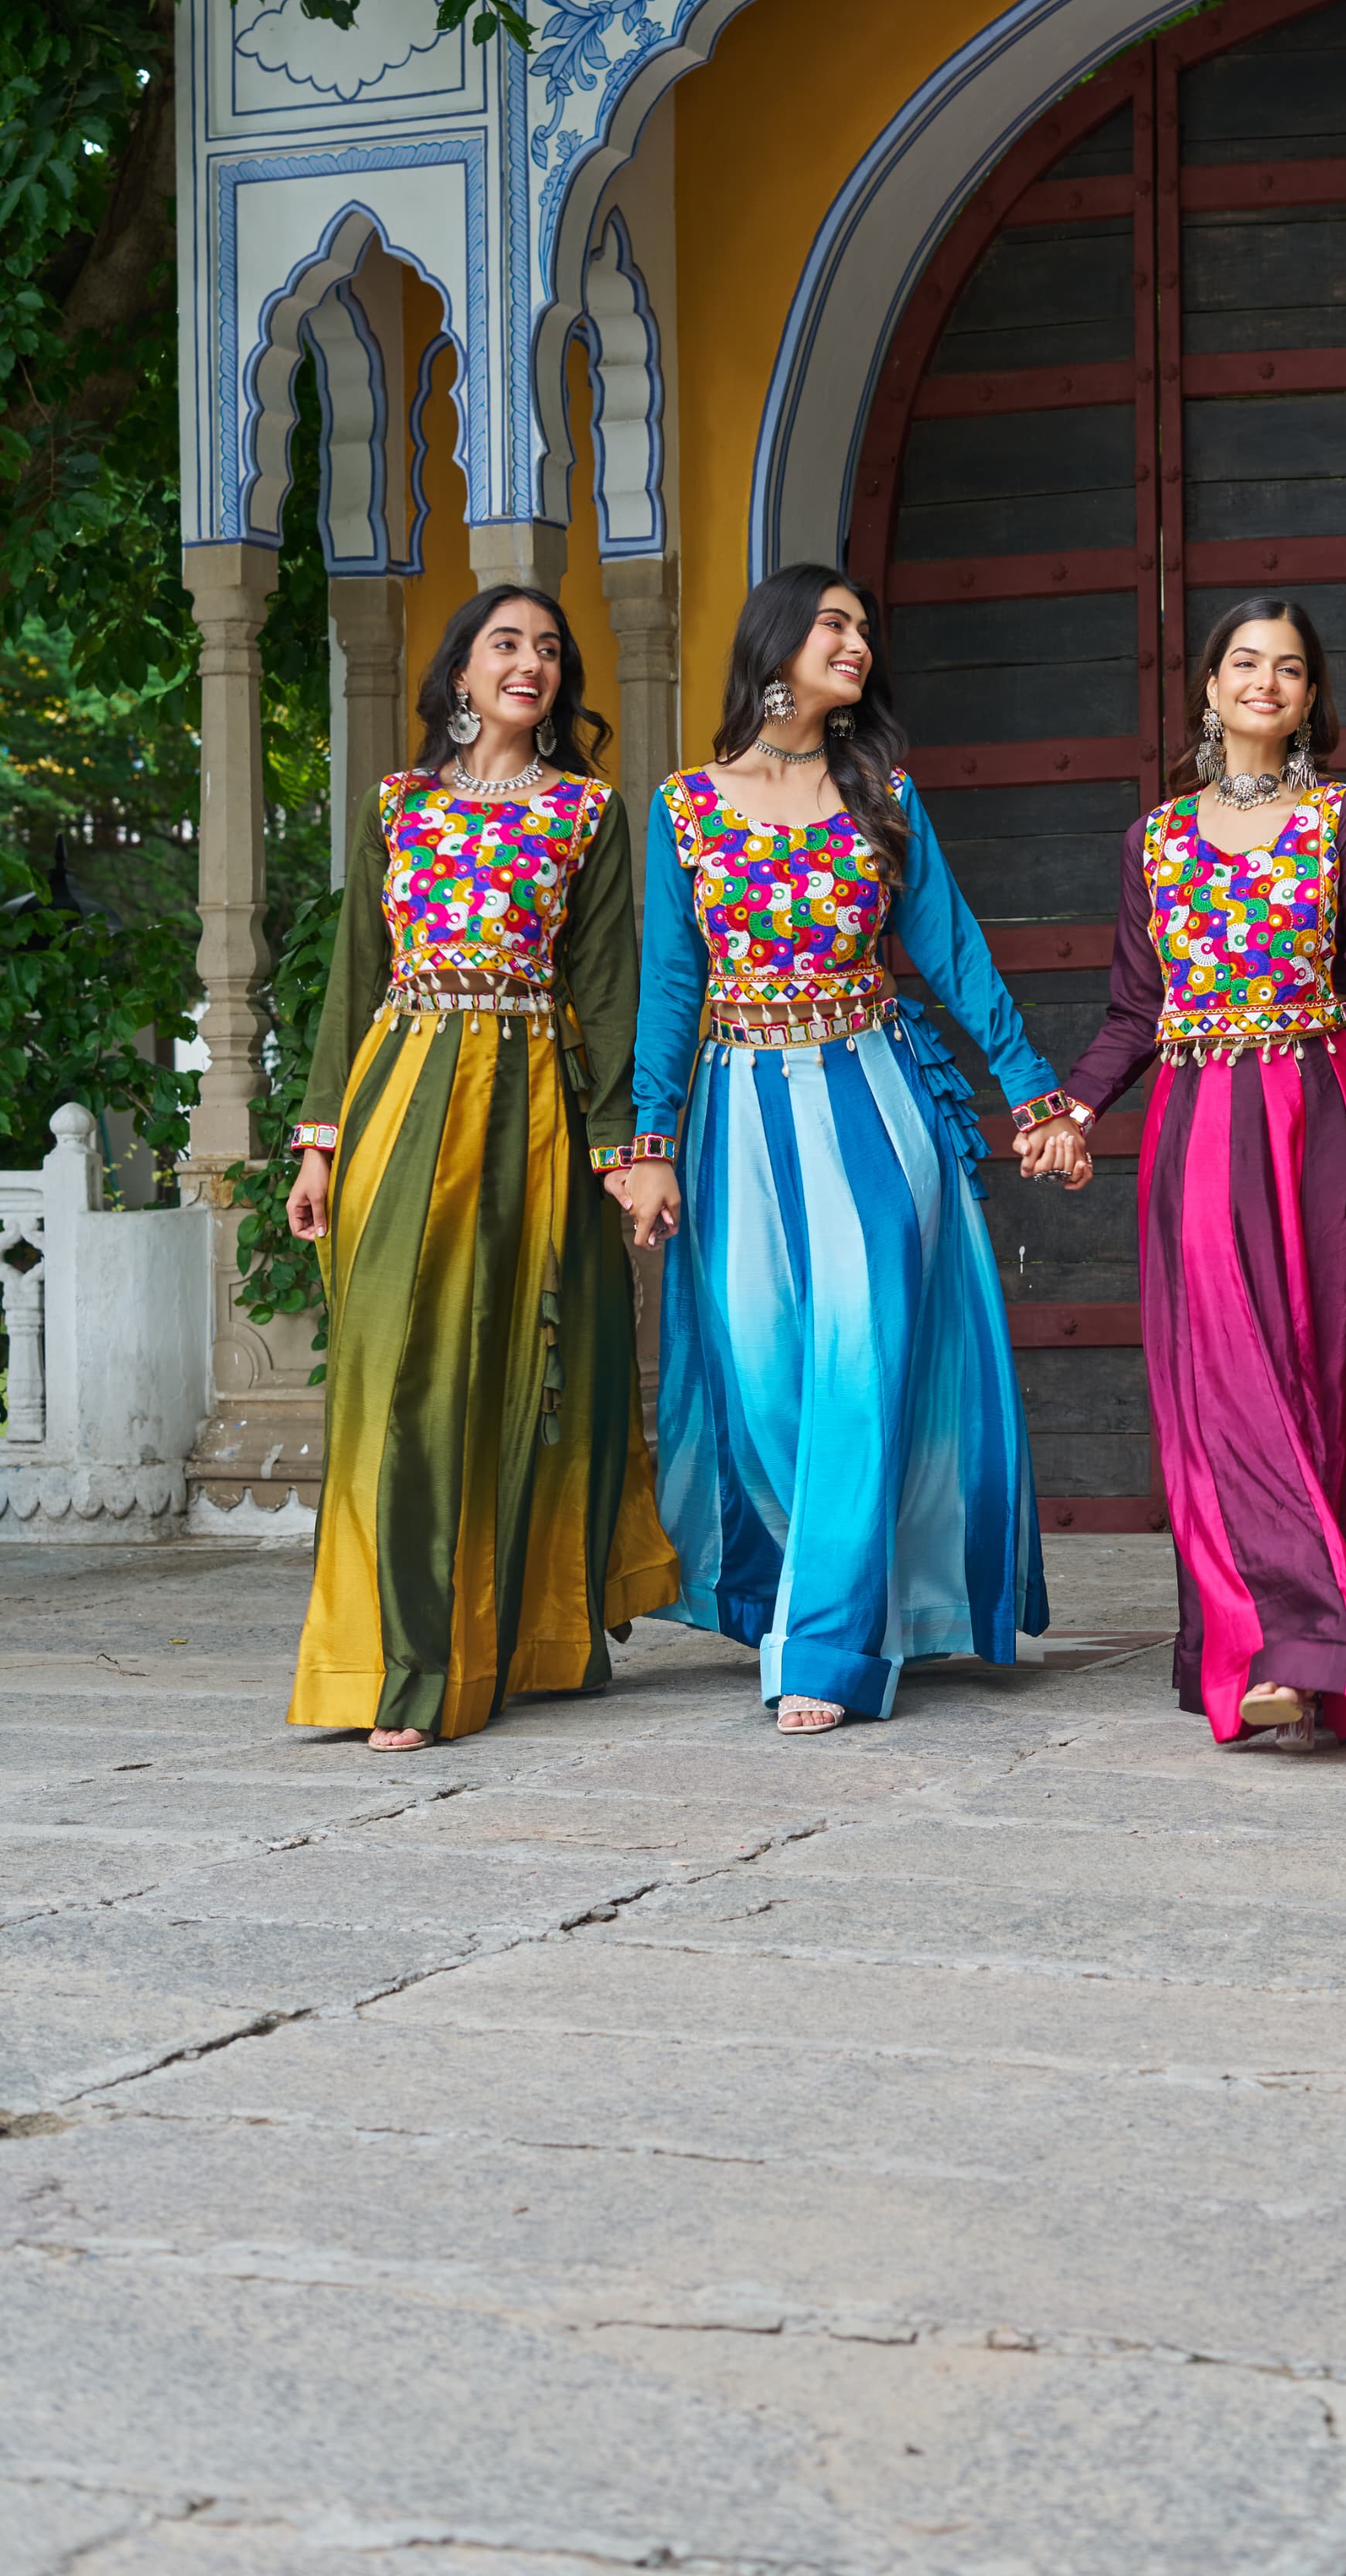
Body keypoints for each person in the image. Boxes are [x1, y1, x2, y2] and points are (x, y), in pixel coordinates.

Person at [614, 565, 1091, 1733]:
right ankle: (819, 1586)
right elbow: (671, 990)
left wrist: (1035, 1095)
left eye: (866, 630)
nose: (858, 645)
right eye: (834, 624)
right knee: (763, 1373)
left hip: (876, 1106)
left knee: (858, 1364)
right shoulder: (686, 805)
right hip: (736, 1119)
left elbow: (955, 950)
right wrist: (651, 1140)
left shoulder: (881, 794)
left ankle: (825, 1647)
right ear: (774, 644)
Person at [1058, 597, 1346, 1751]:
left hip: (1327, 1121)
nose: (1264, 682)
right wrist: (1070, 1109)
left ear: (1311, 699)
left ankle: (1323, 1647)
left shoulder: (1344, 821)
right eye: (1243, 663)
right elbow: (1131, 1011)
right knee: (1226, 1385)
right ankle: (1285, 1646)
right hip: (1198, 1123)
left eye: (1289, 668)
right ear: (1207, 688)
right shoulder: (1153, 840)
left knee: (1331, 1374)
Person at [285, 586, 677, 1750]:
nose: (533, 664)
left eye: (550, 649)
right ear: (459, 671)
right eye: (506, 644)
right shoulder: (395, 806)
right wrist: (317, 1144)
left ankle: (517, 1641)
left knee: (527, 1380)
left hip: (532, 1114)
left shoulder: (587, 814)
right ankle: (404, 1659)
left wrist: (627, 1152)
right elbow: (355, 977)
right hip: (397, 1105)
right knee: (398, 1377)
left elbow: (609, 993)